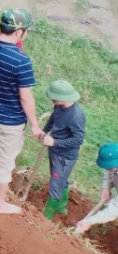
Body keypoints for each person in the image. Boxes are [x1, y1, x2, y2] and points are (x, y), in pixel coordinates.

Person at [0, 8, 42, 215]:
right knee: (3, 162)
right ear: (19, 32)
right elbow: (25, 97)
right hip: (9, 120)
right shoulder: (21, 61)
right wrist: (36, 125)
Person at [41, 79, 85, 220]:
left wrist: (54, 142)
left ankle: (46, 217)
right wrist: (45, 131)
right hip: (55, 150)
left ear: (63, 98)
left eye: (54, 98)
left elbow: (78, 140)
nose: (52, 101)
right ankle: (61, 207)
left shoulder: (76, 116)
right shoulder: (59, 106)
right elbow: (54, 118)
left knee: (56, 183)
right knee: (61, 180)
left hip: (65, 156)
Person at [73, 144, 118, 235]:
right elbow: (108, 171)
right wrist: (106, 187)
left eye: (111, 167)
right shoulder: (112, 165)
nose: (108, 169)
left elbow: (115, 208)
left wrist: (90, 221)